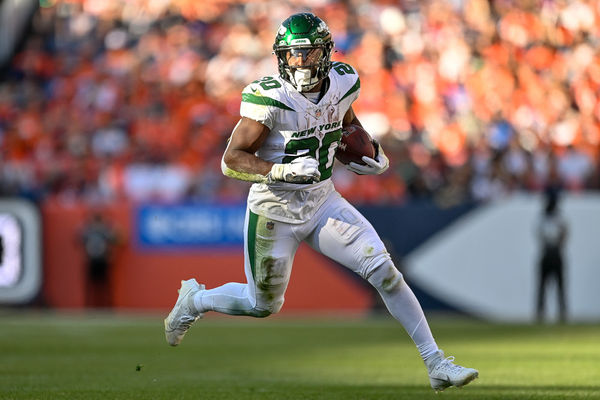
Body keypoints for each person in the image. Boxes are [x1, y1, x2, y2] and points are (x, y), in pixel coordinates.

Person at [164, 13, 478, 391]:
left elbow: (347, 126)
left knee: (384, 270)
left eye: (307, 53)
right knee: (263, 304)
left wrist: (369, 151)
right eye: (291, 55)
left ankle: (436, 363)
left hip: (322, 200)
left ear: (326, 52)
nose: (299, 63)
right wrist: (279, 172)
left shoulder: (343, 82)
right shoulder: (270, 96)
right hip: (274, 211)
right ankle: (195, 301)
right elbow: (231, 160)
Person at [536, 190, 568, 323]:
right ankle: (541, 312)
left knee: (559, 286)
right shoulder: (545, 218)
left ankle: (561, 312)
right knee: (543, 286)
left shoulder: (557, 218)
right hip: (548, 252)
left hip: (554, 252)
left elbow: (564, 234)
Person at [79, 212, 119, 308]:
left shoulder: (92, 230)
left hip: (99, 259)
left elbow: (115, 239)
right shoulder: (101, 230)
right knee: (98, 286)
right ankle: (96, 306)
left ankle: (103, 306)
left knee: (102, 286)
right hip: (97, 259)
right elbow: (115, 239)